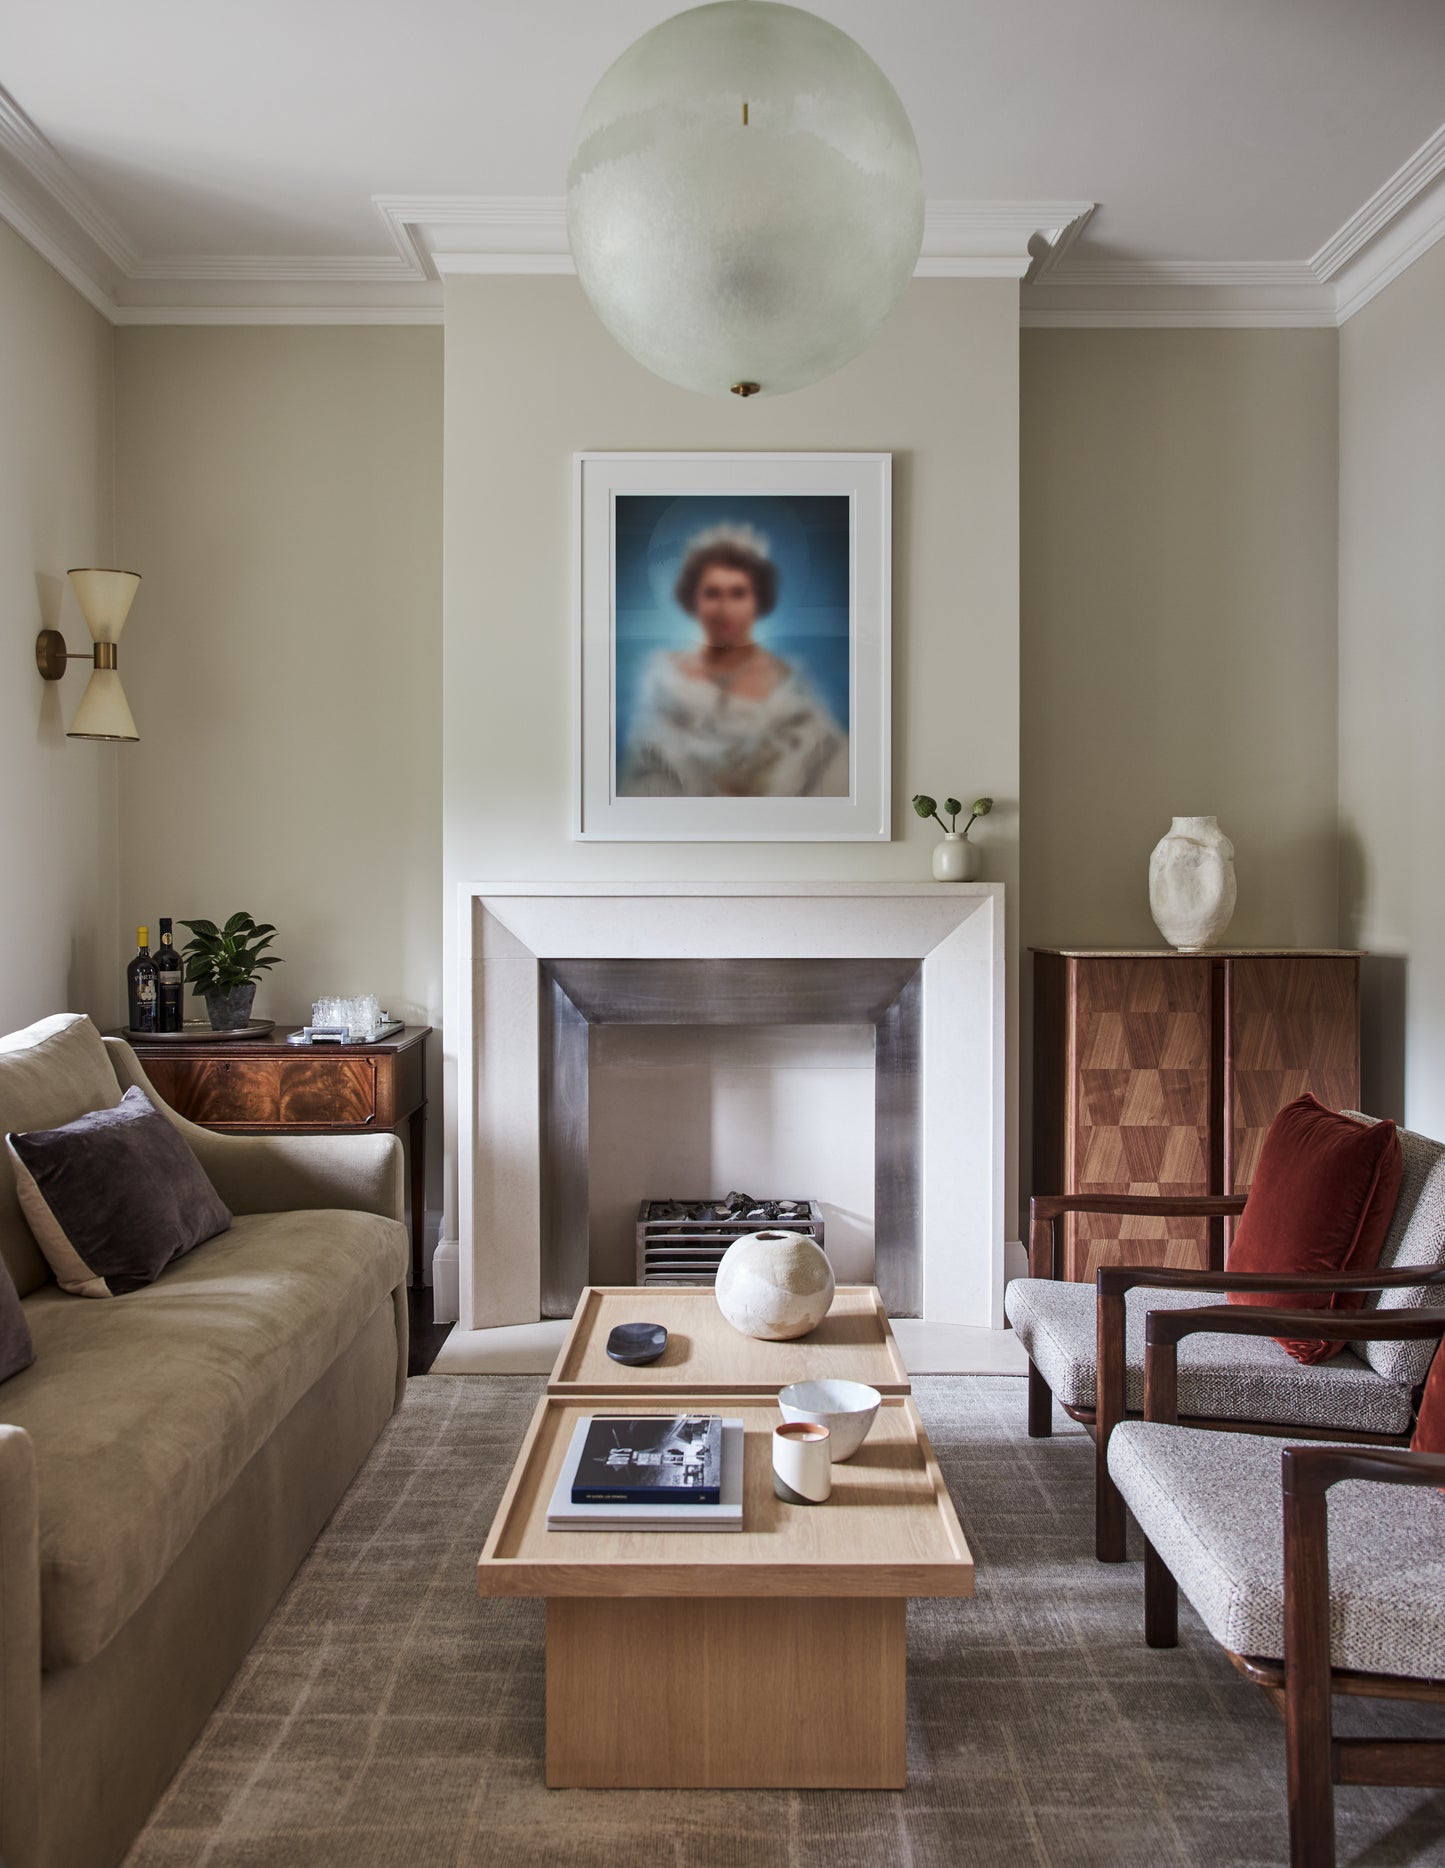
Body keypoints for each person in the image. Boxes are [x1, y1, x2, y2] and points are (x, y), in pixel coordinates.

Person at [619, 525, 848, 798]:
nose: (724, 608)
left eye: (738, 593)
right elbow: (645, 768)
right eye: (712, 593)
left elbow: (822, 761)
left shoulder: (789, 685)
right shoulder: (664, 680)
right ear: (694, 599)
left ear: (757, 600)